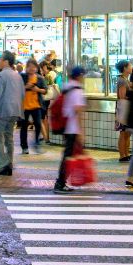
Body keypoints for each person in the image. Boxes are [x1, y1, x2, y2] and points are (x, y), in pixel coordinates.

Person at [50, 65, 89, 193]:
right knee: (68, 156)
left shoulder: (67, 86)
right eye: (83, 75)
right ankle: (60, 184)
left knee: (68, 155)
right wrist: (81, 131)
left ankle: (62, 182)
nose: (84, 78)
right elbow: (77, 111)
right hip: (72, 128)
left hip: (66, 126)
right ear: (79, 76)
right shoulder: (77, 90)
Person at [19, 62, 44, 154]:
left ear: (36, 68)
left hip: (36, 105)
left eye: (34, 67)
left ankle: (37, 142)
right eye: (29, 67)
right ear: (27, 68)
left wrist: (38, 90)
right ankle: (24, 147)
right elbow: (17, 89)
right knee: (24, 127)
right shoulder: (22, 77)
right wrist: (26, 87)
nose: (31, 68)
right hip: (24, 106)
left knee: (38, 124)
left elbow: (45, 90)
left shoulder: (40, 78)